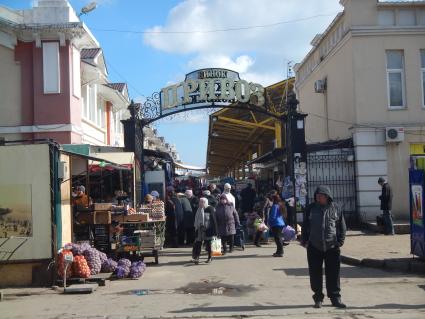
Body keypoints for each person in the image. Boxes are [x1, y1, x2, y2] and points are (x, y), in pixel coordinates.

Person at [301, 186, 347, 309]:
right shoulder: (311, 209)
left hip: (332, 246)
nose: (318, 198)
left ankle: (335, 297)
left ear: (327, 196)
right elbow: (305, 225)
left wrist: (340, 241)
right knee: (315, 273)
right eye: (317, 195)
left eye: (320, 196)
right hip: (314, 246)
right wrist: (304, 241)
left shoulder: (336, 208)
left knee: (333, 273)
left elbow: (342, 226)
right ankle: (318, 298)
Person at [192, 197, 217, 264]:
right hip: (199, 229)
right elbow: (196, 220)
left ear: (205, 202)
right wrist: (196, 228)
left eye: (202, 202)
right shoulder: (199, 209)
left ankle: (210, 257)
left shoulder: (210, 209)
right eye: (200, 202)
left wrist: (215, 231)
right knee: (198, 244)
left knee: (209, 244)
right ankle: (197, 258)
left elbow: (214, 221)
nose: (200, 203)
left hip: (208, 229)